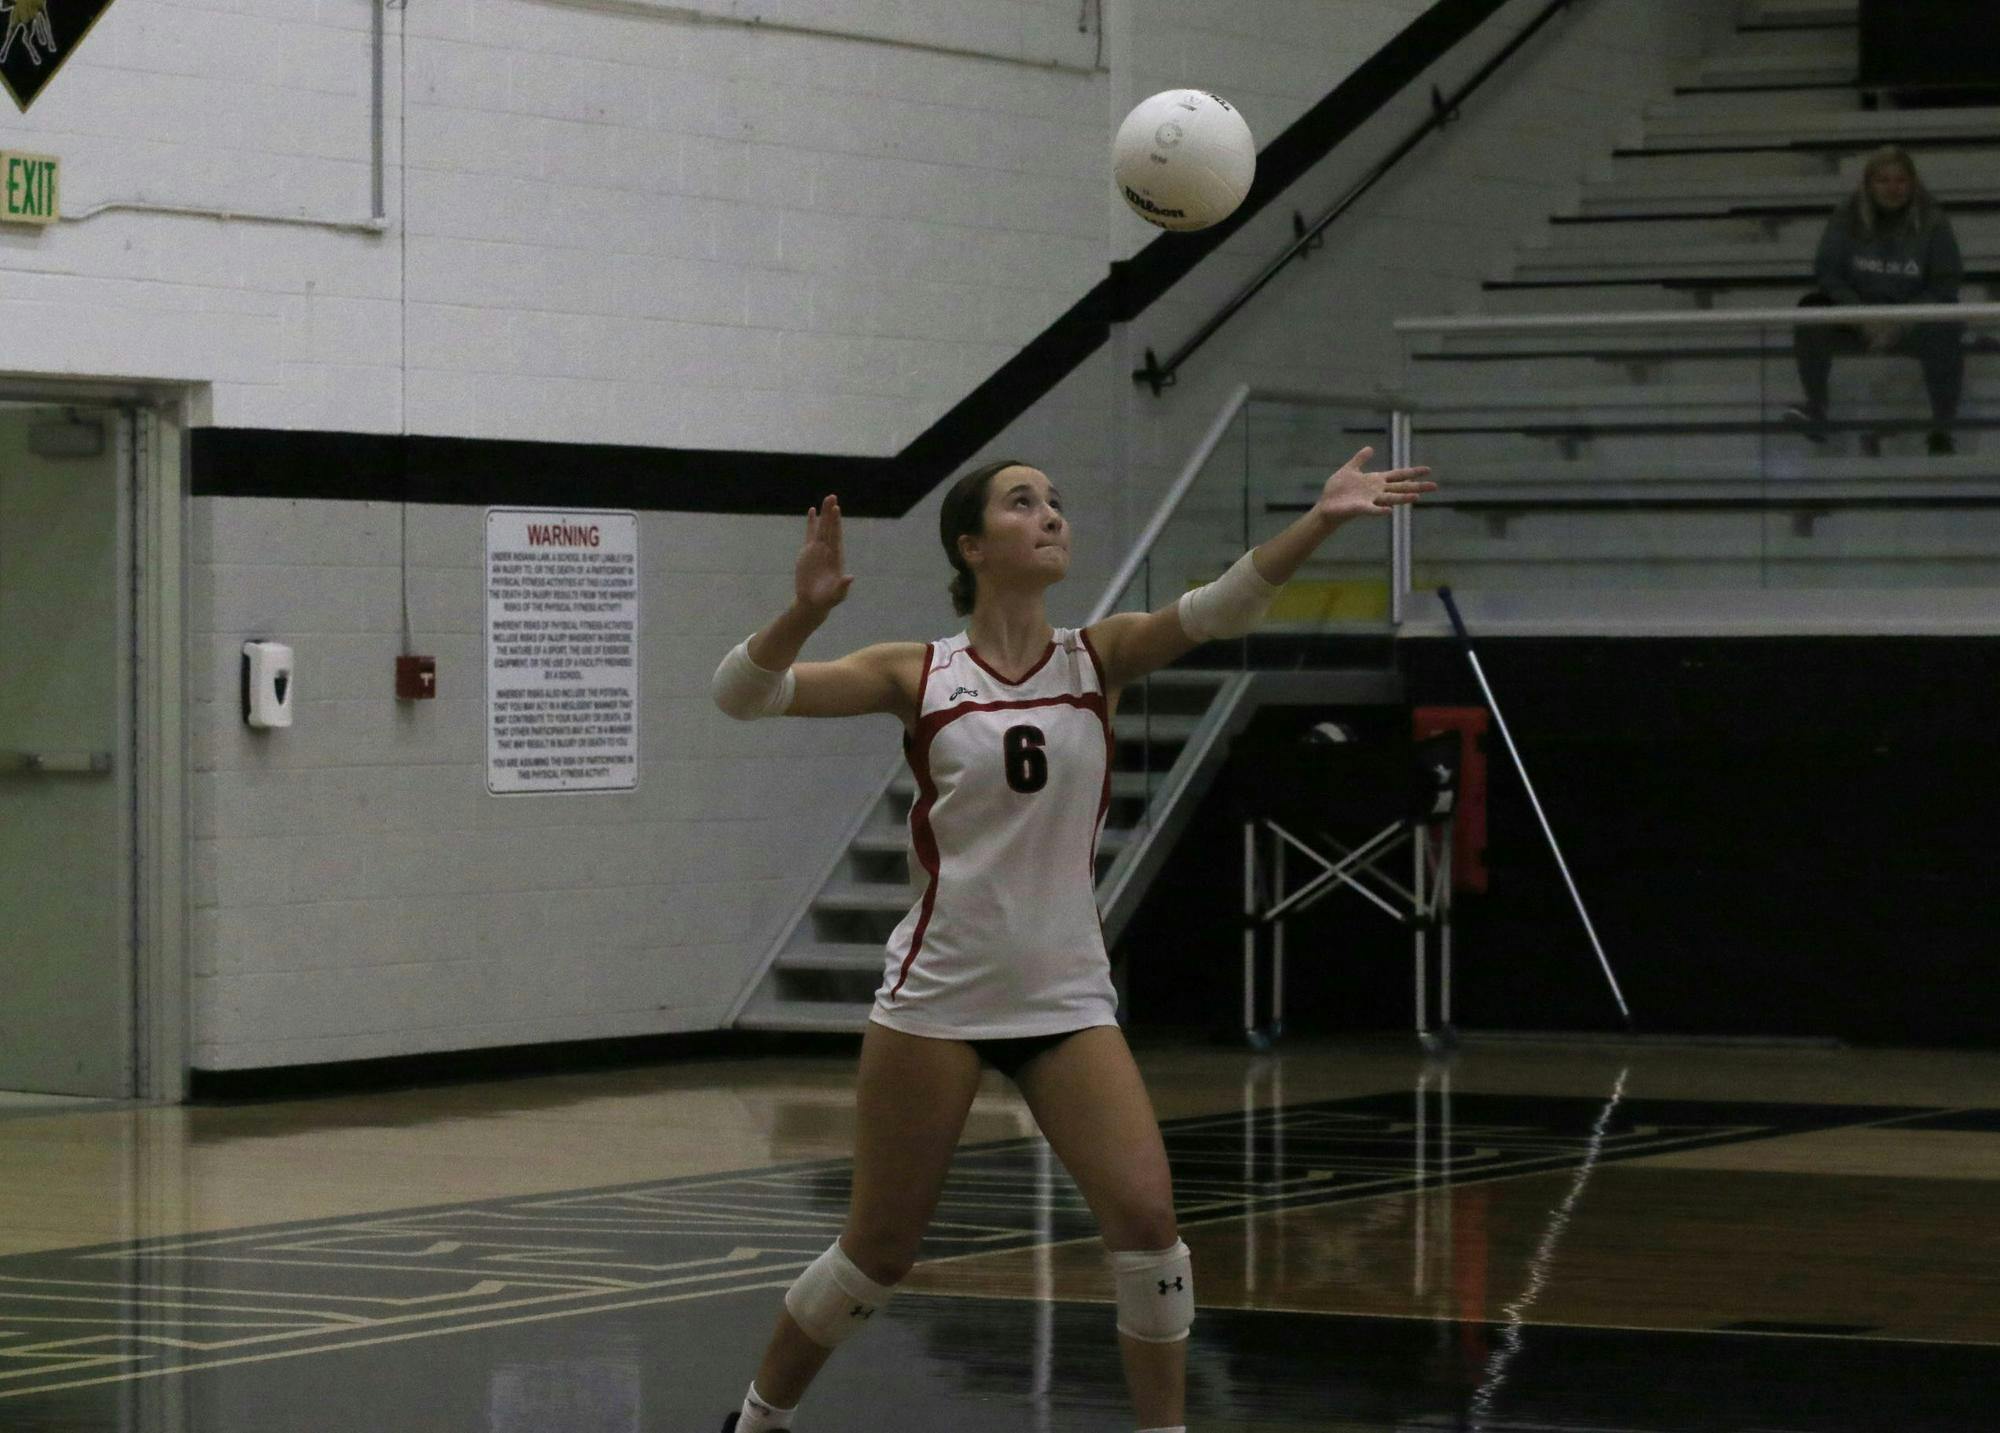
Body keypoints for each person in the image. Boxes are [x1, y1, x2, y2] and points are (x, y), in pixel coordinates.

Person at [708, 449, 1436, 1432]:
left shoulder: (1097, 657)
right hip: (939, 999)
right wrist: (804, 609)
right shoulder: (918, 671)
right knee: (877, 1251)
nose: (1049, 514)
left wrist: (1320, 518)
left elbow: (1219, 606)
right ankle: (754, 1420)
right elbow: (740, 695)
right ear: (971, 545)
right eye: (1021, 502)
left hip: (1064, 997)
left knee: (1148, 1229)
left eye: (1056, 499)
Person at [1788, 145, 1964, 454]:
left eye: (1900, 180)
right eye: (1883, 180)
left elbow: (1944, 285)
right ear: (1869, 184)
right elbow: (1828, 273)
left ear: (1913, 183)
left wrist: (1899, 323)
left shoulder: (1933, 221)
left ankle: (1942, 429)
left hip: (1911, 322)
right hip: (1857, 319)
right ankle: (1816, 409)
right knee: (1811, 309)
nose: (1892, 188)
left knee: (1949, 321)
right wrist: (1861, 317)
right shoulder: (1846, 215)